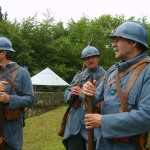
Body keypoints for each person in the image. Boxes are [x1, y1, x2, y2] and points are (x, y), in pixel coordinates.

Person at [82, 20, 150, 150]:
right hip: (102, 143)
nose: (113, 44)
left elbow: (147, 116)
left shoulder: (148, 71)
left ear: (133, 42)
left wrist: (103, 122)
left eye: (118, 39)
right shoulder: (113, 70)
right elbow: (96, 98)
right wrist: (88, 93)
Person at [62, 45, 106, 150]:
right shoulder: (79, 75)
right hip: (74, 122)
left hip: (92, 121)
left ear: (98, 58)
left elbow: (104, 99)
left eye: (93, 57)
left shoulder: (106, 76)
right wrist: (72, 93)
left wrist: (82, 94)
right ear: (83, 60)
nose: (90, 60)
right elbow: (66, 93)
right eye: (87, 58)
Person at [0, 36, 35, 150]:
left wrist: (9, 99)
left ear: (3, 53)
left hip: (12, 125)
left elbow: (30, 99)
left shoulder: (22, 72)